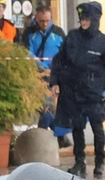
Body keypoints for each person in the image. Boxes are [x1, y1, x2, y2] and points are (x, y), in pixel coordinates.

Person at [52, 1, 105, 176]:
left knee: (97, 128)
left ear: (95, 19)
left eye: (87, 19)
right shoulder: (72, 38)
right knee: (77, 128)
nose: (83, 22)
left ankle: (100, 162)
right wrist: (55, 82)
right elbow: (59, 61)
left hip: (93, 94)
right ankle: (79, 161)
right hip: (73, 92)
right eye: (81, 19)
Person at [24, 4, 69, 148]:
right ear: (36, 19)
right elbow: (27, 54)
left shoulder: (59, 33)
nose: (44, 24)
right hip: (37, 76)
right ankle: (55, 135)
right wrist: (43, 69)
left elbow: (65, 55)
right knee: (46, 106)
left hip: (56, 76)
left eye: (47, 21)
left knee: (52, 107)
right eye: (41, 21)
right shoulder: (29, 33)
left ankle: (52, 135)